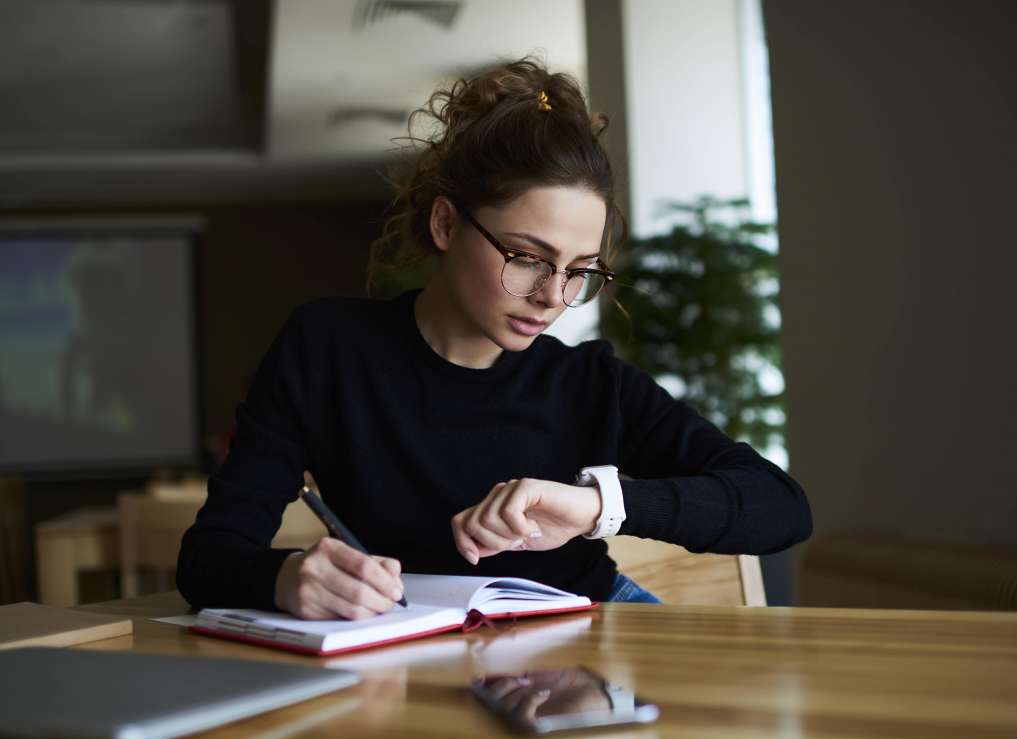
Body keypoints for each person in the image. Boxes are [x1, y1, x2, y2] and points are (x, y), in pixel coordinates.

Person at [176, 57, 812, 620]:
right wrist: (286, 577)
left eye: (579, 270)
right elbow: (209, 558)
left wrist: (595, 506)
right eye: (528, 257)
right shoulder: (327, 349)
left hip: (589, 630)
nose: (553, 297)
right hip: (411, 642)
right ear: (448, 224)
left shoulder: (589, 381)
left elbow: (781, 506)